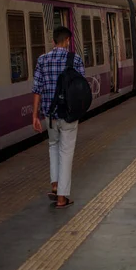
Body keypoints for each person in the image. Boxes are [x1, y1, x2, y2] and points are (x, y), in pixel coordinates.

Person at [32, 26, 86, 209]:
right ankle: (62, 198)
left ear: (53, 41)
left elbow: (37, 89)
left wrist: (34, 116)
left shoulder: (42, 60)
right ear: (68, 41)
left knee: (53, 147)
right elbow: (81, 88)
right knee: (66, 153)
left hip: (50, 115)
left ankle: (54, 185)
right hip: (69, 115)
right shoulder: (75, 59)